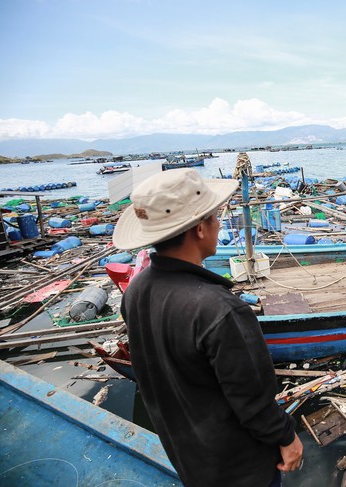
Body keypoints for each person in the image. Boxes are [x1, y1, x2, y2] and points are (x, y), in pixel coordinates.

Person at [113, 169, 302, 486]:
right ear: (200, 229)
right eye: (215, 217)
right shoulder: (220, 310)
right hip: (240, 469)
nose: (218, 224)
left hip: (189, 458)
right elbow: (253, 400)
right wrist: (287, 438)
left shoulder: (135, 291)